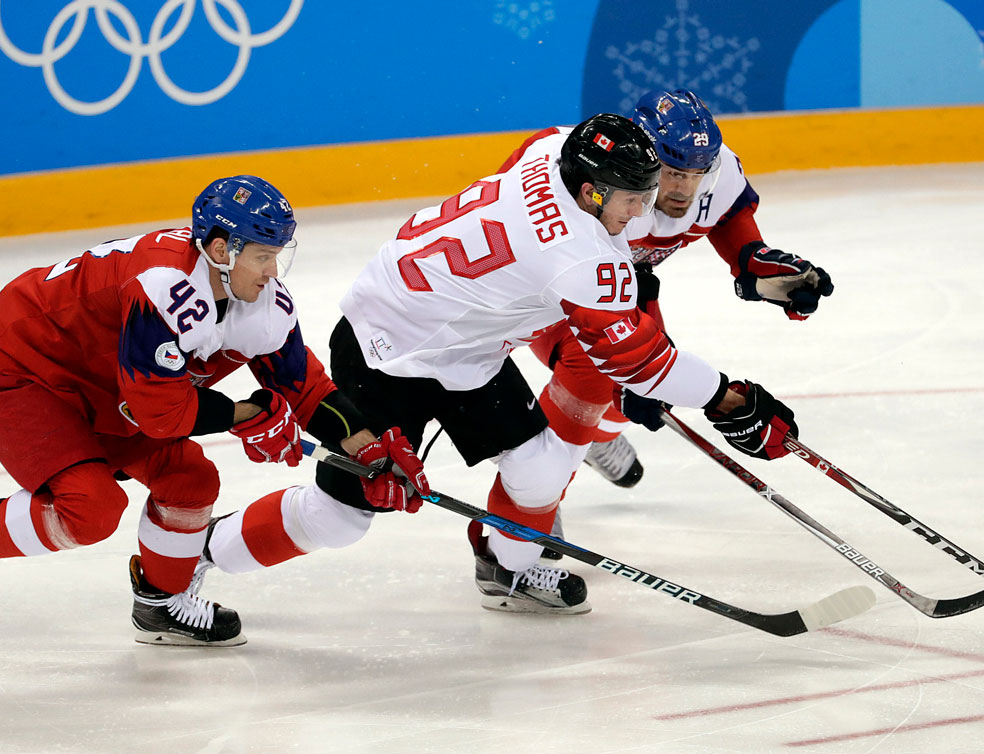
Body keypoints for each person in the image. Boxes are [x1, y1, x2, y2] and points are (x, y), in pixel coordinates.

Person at [205, 113, 804, 615]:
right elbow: (642, 361)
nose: (643, 212)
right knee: (341, 519)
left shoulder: (551, 149)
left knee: (541, 472)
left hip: (468, 349)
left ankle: (503, 565)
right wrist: (732, 400)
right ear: (593, 192)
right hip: (386, 348)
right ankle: (198, 553)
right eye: (633, 199)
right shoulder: (578, 258)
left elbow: (624, 335)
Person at [0, 175, 427, 647]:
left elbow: (303, 387)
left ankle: (160, 603)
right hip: (27, 371)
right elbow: (159, 413)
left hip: (111, 385)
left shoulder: (257, 299)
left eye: (276, 255)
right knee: (92, 508)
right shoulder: (162, 286)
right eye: (261, 256)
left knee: (190, 482)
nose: (272, 271)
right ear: (220, 250)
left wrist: (367, 447)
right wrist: (248, 414)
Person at [510, 90, 835, 493]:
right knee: (601, 374)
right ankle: (537, 495)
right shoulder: (593, 190)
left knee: (641, 383)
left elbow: (728, 214)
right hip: (544, 289)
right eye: (674, 174)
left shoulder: (714, 174)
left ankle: (599, 436)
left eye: (698, 175)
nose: (686, 189)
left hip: (617, 283)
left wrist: (751, 257)